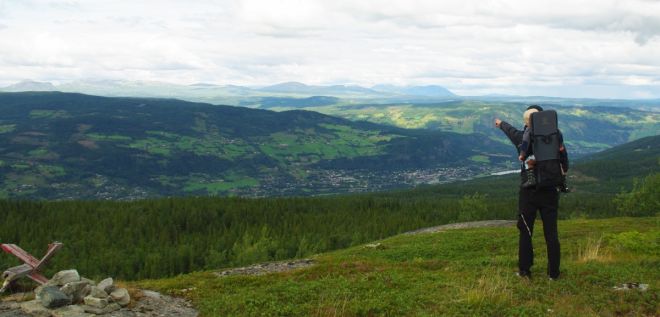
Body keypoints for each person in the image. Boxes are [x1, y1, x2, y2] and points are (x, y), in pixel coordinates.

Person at [494, 105, 569, 280]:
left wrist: (500, 123)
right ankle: (554, 273)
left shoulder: (522, 137)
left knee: (526, 230)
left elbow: (509, 130)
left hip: (529, 191)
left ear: (526, 121)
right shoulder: (554, 137)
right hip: (550, 190)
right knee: (551, 233)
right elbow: (564, 164)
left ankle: (525, 271)